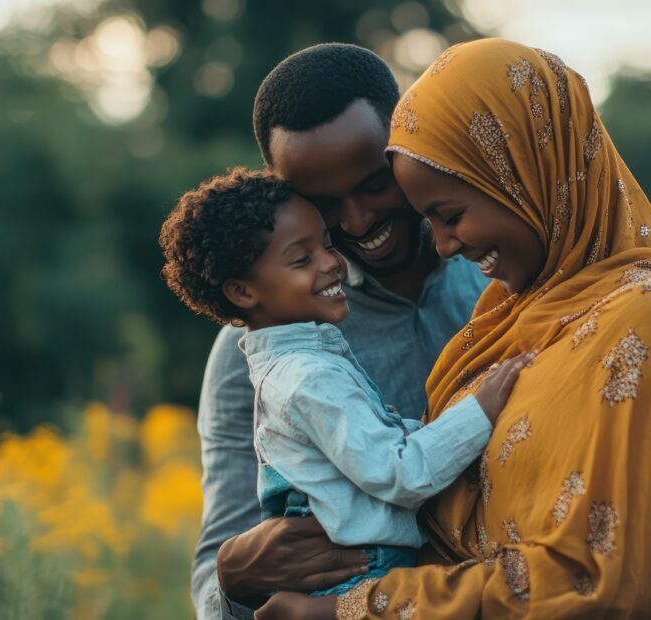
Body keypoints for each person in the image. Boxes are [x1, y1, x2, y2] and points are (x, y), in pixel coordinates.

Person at [259, 38, 651, 619]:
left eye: (451, 214)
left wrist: (360, 609)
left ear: (523, 176)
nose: (446, 244)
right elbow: (258, 562)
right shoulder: (500, 317)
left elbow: (598, 581)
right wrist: (235, 580)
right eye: (325, 205)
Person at [190, 45, 489, 619]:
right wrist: (233, 581)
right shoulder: (254, 352)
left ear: (406, 148)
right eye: (323, 204)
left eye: (375, 184)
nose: (356, 222)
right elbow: (216, 582)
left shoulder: (496, 271)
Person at [161, 168, 531, 611]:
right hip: (358, 580)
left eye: (327, 245)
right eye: (303, 259)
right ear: (242, 292)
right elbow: (400, 471)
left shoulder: (499, 279)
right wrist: (480, 409)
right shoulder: (306, 377)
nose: (334, 259)